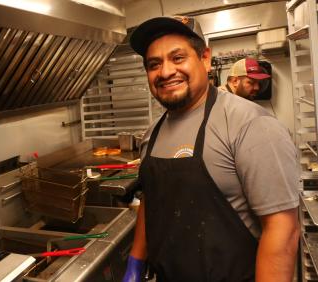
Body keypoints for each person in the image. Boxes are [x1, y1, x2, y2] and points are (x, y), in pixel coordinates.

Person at [123, 16, 299, 282]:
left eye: (178, 58)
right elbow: (152, 200)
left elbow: (283, 229)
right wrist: (135, 261)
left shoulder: (251, 125)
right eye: (154, 64)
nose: (166, 72)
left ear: (205, 59)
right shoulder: (152, 133)